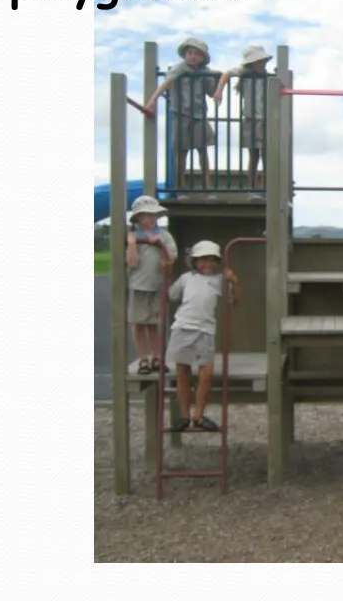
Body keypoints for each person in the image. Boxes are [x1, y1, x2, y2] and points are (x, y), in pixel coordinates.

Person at [167, 240, 240, 432]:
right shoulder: (186, 278)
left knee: (205, 374)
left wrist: (234, 281)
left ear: (217, 262)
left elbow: (235, 301)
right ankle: (184, 415)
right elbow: (171, 295)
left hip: (205, 331)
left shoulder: (219, 280)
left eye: (211, 260)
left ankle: (198, 415)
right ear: (194, 261)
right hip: (182, 328)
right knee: (182, 372)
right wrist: (166, 271)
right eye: (203, 260)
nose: (207, 264)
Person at [146, 37, 219, 194]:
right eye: (189, 53)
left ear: (202, 58)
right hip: (181, 113)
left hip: (199, 114)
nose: (192, 56)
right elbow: (166, 84)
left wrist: (217, 80)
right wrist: (152, 101)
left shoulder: (204, 72)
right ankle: (181, 187)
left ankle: (208, 186)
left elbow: (211, 93)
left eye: (196, 54)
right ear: (185, 55)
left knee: (202, 150)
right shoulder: (179, 68)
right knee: (181, 152)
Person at [125, 195, 177, 375]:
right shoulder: (134, 235)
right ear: (138, 218)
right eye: (146, 215)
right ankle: (143, 358)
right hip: (138, 286)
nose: (151, 218)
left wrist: (159, 245)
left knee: (154, 324)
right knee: (139, 324)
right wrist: (132, 244)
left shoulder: (164, 235)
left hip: (157, 286)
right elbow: (131, 263)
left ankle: (157, 357)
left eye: (154, 215)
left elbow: (170, 259)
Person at [213, 45, 272, 194]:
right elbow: (227, 74)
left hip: (266, 119)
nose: (262, 64)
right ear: (251, 63)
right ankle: (253, 187)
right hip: (251, 118)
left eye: (263, 61)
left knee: (267, 154)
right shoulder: (243, 73)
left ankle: (266, 188)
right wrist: (219, 91)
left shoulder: (268, 77)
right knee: (254, 155)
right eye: (258, 61)